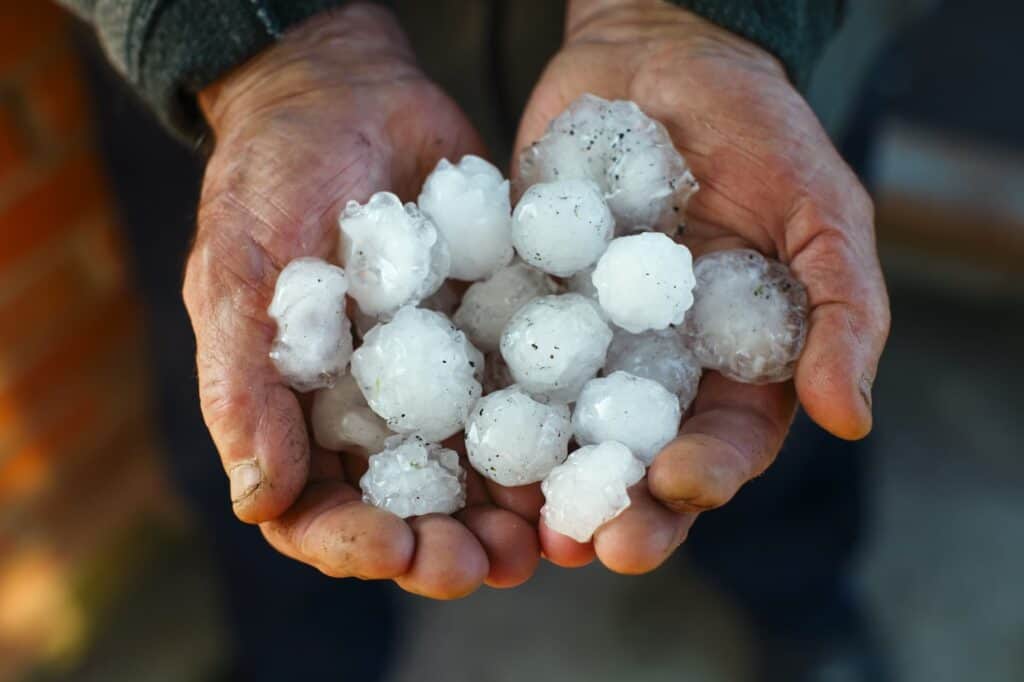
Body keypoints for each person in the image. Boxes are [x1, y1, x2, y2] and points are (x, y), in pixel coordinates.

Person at [64, 1, 891, 680]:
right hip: (285, 92)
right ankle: (299, 662)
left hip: (742, 74)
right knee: (251, 442)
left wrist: (723, 19)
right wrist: (249, 44)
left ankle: (805, 610)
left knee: (774, 446)